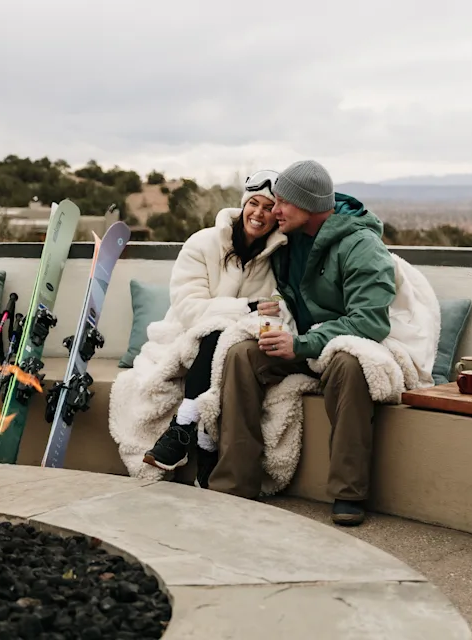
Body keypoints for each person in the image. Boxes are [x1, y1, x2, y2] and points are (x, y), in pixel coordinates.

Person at [206, 159, 400, 526]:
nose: (274, 209)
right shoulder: (288, 240)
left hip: (341, 344)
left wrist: (305, 344)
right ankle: (234, 484)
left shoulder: (361, 245)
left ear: (309, 205)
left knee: (351, 364)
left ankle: (348, 494)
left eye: (281, 202)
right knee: (242, 354)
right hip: (302, 342)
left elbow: (370, 321)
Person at [141, 170, 287, 485]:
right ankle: (189, 431)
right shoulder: (203, 242)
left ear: (276, 218)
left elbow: (274, 311)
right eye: (254, 204)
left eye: (267, 208)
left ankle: (196, 434)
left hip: (232, 345)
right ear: (244, 205)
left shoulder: (276, 258)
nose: (258, 214)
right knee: (217, 331)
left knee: (230, 340)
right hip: (186, 333)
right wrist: (245, 308)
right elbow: (189, 308)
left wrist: (248, 317)